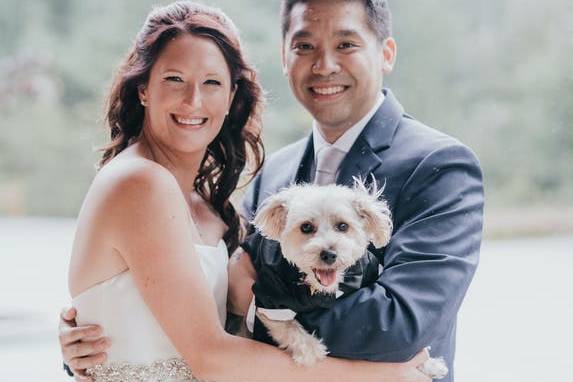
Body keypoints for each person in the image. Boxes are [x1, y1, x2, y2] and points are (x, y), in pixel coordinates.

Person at [60, 1, 430, 381]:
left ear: (232, 95)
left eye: (212, 83)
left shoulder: (208, 203)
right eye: (174, 79)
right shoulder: (141, 183)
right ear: (143, 88)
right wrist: (382, 377)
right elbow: (211, 356)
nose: (193, 101)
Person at [234, 1, 484, 381]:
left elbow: (399, 326)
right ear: (284, 59)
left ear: (386, 54)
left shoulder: (441, 166)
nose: (324, 65)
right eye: (304, 47)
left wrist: (264, 308)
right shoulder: (271, 174)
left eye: (346, 44)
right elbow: (224, 299)